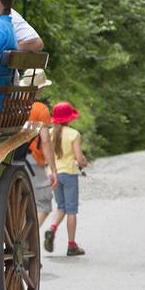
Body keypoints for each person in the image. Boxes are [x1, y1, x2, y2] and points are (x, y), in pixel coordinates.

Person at [43, 101, 89, 256]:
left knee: (61, 206)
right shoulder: (74, 134)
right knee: (71, 210)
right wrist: (83, 163)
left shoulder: (49, 133)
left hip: (53, 174)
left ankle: (52, 228)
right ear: (69, 118)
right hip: (69, 173)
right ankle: (71, 245)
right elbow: (79, 158)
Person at [20, 70, 59, 226]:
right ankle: (27, 239)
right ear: (39, 88)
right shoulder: (40, 109)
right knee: (44, 203)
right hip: (32, 160)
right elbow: (45, 141)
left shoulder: (12, 104)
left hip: (11, 157)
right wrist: (53, 169)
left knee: (20, 201)